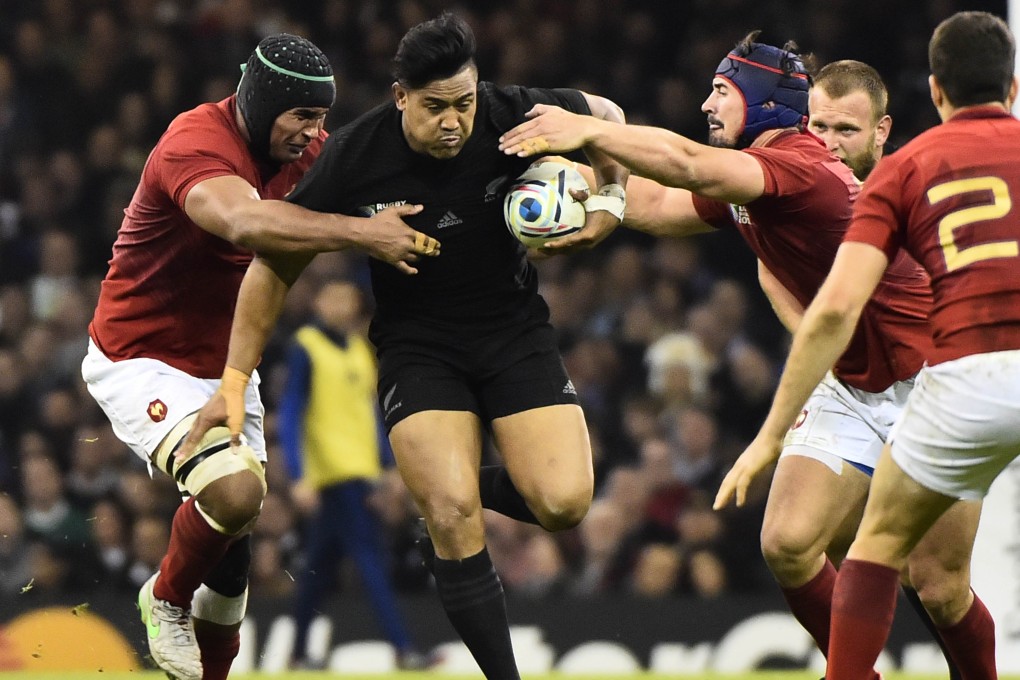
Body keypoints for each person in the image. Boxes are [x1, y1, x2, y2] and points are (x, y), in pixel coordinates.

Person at [498, 32, 991, 678]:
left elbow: (687, 164)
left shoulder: (797, 166)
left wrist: (587, 127)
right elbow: (662, 200)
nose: (706, 104)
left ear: (760, 103)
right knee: (787, 543)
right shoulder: (756, 177)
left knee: (940, 585)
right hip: (852, 382)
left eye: (721, 92)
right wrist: (581, 188)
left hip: (930, 383)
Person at [180, 12, 629, 680]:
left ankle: (442, 492)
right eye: (435, 108)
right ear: (400, 98)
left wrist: (611, 200)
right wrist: (235, 380)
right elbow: (273, 264)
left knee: (563, 505)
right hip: (419, 348)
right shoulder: (355, 156)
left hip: (514, 332)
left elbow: (609, 116)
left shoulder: (513, 113)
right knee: (453, 513)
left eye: (464, 104)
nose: (454, 122)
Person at [80, 34, 438, 680]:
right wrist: (365, 234)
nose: (314, 132)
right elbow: (246, 223)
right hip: (142, 357)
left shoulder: (309, 154)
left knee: (233, 556)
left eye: (323, 118)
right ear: (265, 102)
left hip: (227, 367)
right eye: (303, 116)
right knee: (236, 492)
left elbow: (383, 183)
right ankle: (165, 597)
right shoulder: (194, 142)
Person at [732, 11, 1015, 679]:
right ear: (1012, 87)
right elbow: (763, 255)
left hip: (946, 376)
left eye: (846, 130)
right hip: (881, 383)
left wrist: (600, 138)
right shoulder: (786, 182)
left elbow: (836, 307)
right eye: (820, 128)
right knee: (795, 542)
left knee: (905, 566)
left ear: (933, 92)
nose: (829, 144)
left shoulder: (907, 172)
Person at [279, 279, 425, 670]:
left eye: (348, 298)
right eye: (333, 297)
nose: (341, 305)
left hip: (361, 472)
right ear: (318, 301)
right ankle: (404, 648)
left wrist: (387, 464)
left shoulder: (360, 349)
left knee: (320, 565)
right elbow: (292, 410)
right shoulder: (307, 346)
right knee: (370, 558)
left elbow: (370, 414)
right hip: (334, 473)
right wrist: (298, 474)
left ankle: (297, 653)